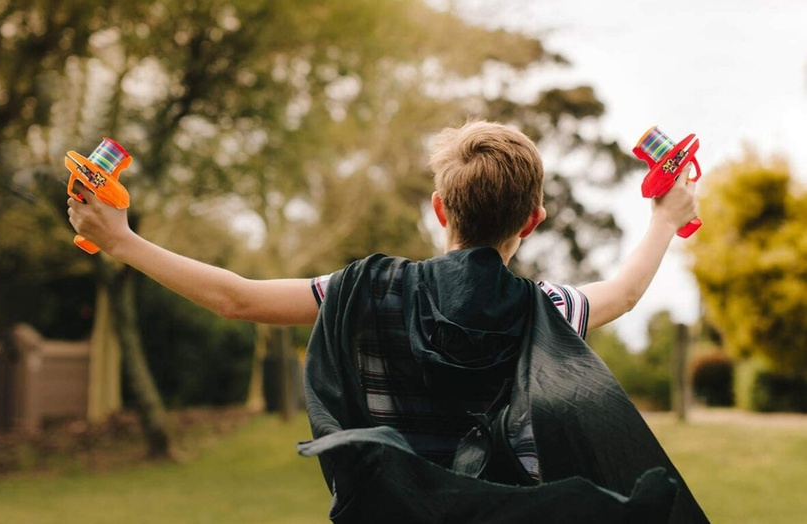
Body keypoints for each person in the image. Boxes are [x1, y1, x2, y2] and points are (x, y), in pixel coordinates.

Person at [67, 119, 706, 522]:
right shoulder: (551, 311)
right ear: (532, 220)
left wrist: (122, 242)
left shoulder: (364, 292)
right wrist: (664, 218)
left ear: (438, 208)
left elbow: (239, 298)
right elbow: (622, 293)